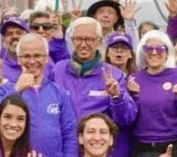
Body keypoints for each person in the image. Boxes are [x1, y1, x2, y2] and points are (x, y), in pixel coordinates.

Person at [0, 33, 79, 157]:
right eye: (26, 56)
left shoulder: (58, 92)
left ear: (46, 58)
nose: (32, 61)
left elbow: (69, 134)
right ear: (18, 59)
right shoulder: (6, 89)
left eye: (37, 56)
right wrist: (17, 90)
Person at [51, 16, 137, 149]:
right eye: (78, 39)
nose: (83, 44)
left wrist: (117, 97)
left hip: (98, 150)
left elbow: (127, 118)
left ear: (99, 41)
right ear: (72, 41)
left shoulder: (114, 75)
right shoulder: (58, 70)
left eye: (89, 39)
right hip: (65, 149)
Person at [104, 32, 138, 157]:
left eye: (124, 48)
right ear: (107, 53)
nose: (119, 51)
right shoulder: (97, 76)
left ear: (130, 54)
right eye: (114, 47)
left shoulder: (137, 78)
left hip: (128, 142)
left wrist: (135, 95)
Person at [0, 15, 29, 82]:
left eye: (19, 33)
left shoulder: (41, 63)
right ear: (4, 40)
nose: (14, 36)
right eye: (9, 34)